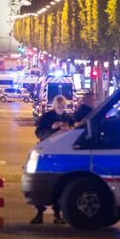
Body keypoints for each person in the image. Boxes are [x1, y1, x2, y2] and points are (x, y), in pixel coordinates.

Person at [30, 96, 74, 225]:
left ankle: (57, 214)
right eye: (58, 107)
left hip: (62, 154)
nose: (61, 109)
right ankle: (39, 213)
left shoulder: (69, 118)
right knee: (42, 183)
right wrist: (52, 128)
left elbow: (74, 133)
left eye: (63, 107)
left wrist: (68, 129)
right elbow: (39, 133)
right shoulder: (47, 117)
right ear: (54, 106)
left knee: (60, 185)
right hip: (47, 152)